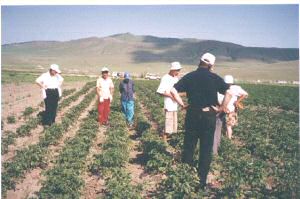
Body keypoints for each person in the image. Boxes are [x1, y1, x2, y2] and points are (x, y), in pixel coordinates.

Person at [171, 53, 232, 189]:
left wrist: (182, 105)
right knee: (205, 149)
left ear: (200, 62)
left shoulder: (190, 76)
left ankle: (185, 177)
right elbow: (230, 92)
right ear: (211, 65)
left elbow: (173, 90)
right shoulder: (214, 78)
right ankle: (201, 182)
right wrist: (222, 107)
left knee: (189, 146)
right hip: (208, 115)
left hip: (192, 114)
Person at [156, 62, 182, 142]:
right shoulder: (165, 78)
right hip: (169, 105)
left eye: (179, 70)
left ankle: (167, 141)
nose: (178, 72)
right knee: (168, 126)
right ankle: (164, 143)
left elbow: (177, 91)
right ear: (173, 70)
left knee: (173, 126)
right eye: (177, 70)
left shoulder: (175, 78)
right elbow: (160, 91)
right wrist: (171, 96)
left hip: (175, 105)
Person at [218, 75, 248, 139]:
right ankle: (228, 139)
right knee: (228, 126)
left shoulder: (221, 87)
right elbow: (245, 94)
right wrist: (237, 101)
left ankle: (228, 139)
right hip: (230, 110)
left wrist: (237, 101)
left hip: (224, 110)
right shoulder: (236, 88)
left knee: (225, 126)